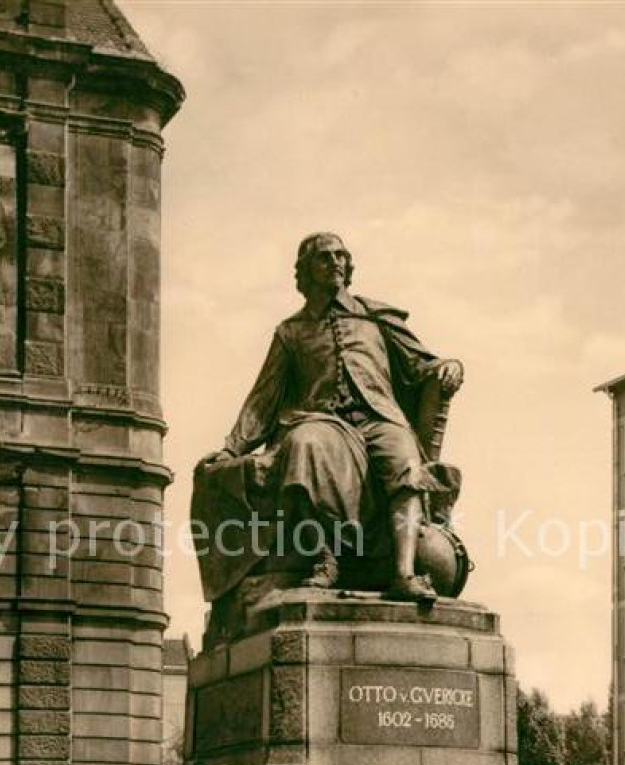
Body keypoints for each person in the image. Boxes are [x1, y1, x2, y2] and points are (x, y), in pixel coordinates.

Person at [193, 232, 464, 605]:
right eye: (324, 258)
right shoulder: (291, 332)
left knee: (405, 459)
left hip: (379, 417)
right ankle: (325, 557)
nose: (335, 263)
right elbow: (263, 398)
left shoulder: (376, 317)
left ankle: (403, 573)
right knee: (305, 445)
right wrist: (231, 448)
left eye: (340, 256)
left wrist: (448, 366)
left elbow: (422, 363)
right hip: (321, 418)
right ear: (306, 272)